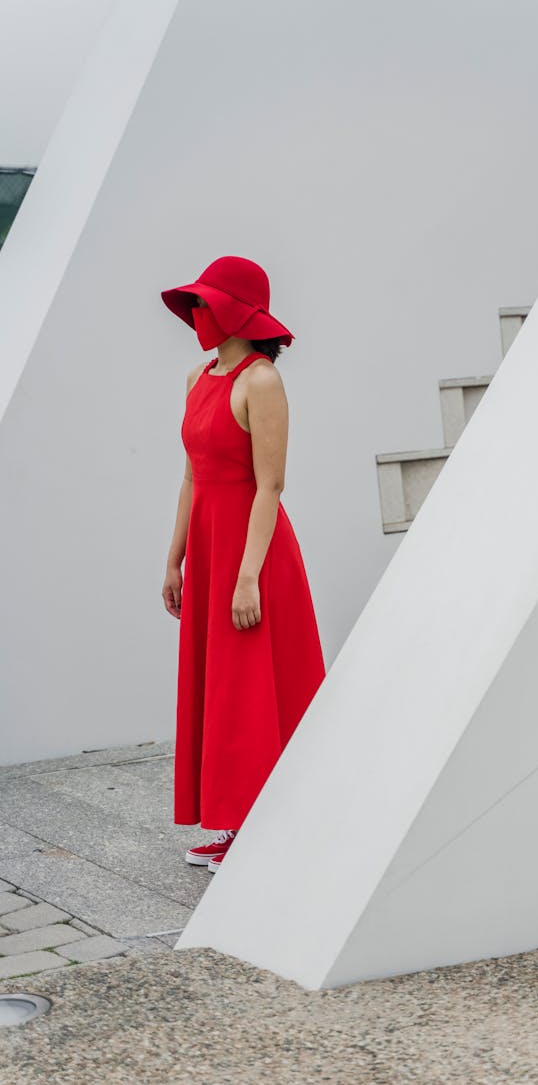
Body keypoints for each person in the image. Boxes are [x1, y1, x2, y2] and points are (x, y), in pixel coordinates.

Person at [160, 256, 326, 872]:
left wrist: (249, 575)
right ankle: (237, 824)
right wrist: (174, 560)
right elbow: (189, 476)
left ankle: (267, 825)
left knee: (252, 686)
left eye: (205, 304)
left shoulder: (261, 382)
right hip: (207, 548)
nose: (197, 314)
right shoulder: (197, 377)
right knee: (220, 687)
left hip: (252, 552)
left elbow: (270, 486)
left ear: (233, 311)